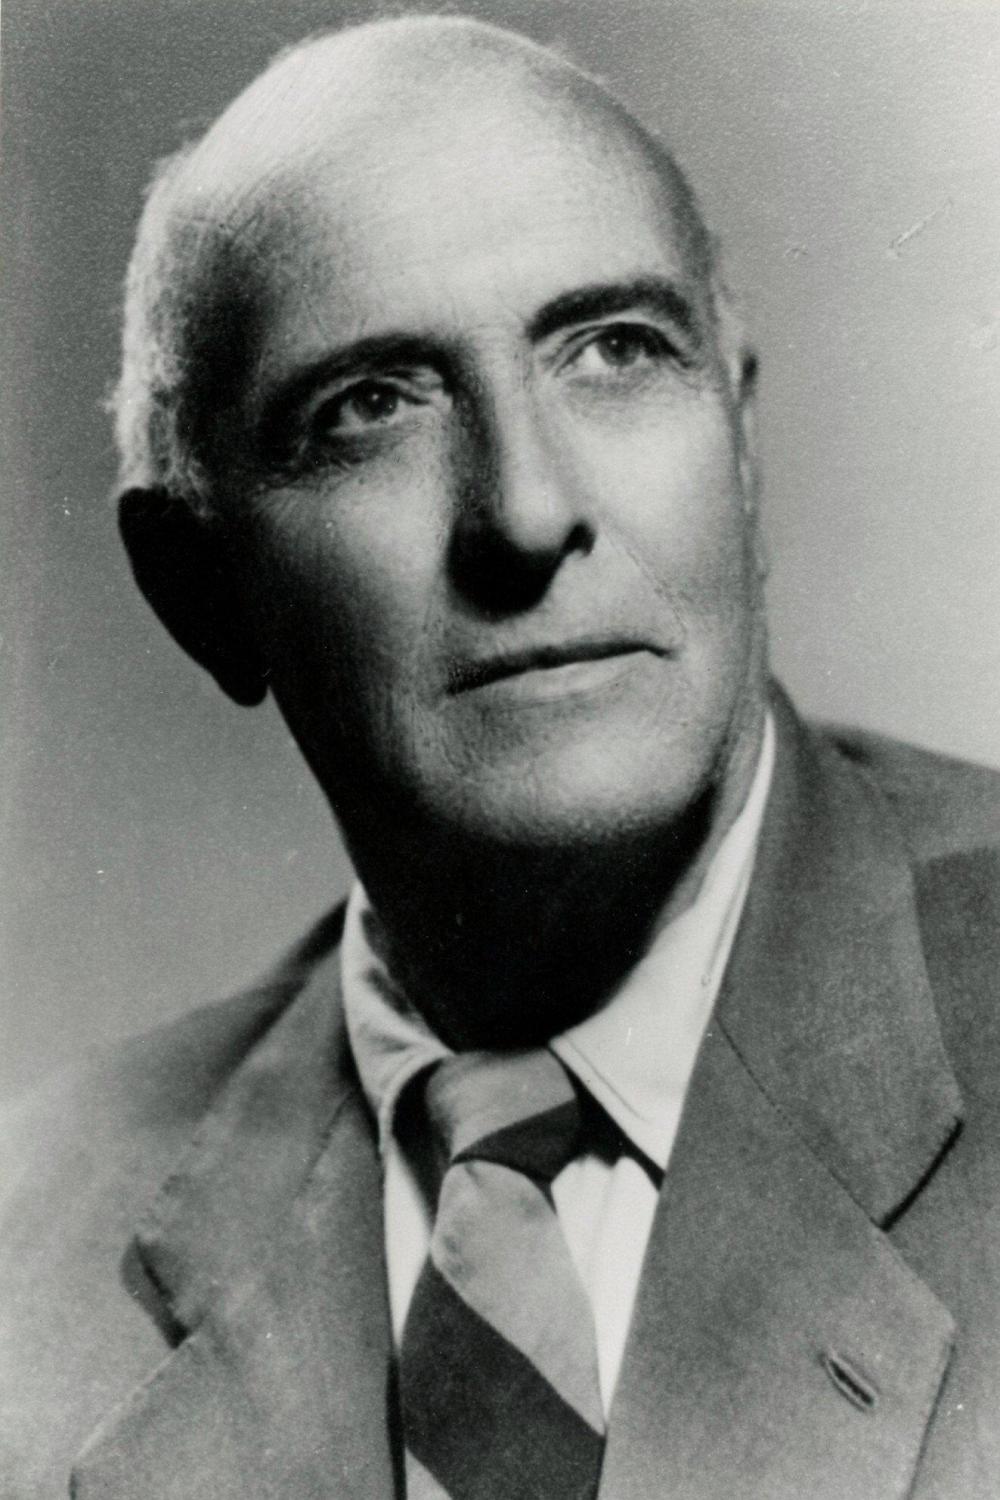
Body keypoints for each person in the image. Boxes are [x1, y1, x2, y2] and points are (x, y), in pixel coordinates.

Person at [2, 15, 998, 1499]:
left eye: (614, 350)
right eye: (371, 406)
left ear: (739, 441)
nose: (527, 512)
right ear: (198, 592)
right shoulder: (26, 1254)